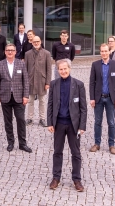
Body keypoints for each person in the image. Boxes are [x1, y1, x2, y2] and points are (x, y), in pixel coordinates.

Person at [47, 59, 87, 192]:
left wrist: (82, 126)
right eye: (60, 69)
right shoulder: (54, 84)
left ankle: (77, 179)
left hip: (73, 125)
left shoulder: (79, 84)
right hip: (58, 123)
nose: (63, 71)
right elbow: (50, 105)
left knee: (76, 153)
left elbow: (83, 108)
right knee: (57, 152)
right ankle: (56, 177)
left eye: (65, 69)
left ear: (69, 69)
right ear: (57, 70)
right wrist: (50, 123)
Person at [0, 43, 32, 153]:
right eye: (8, 50)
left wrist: (26, 95)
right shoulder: (0, 65)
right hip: (5, 97)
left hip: (19, 97)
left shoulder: (21, 64)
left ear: (15, 52)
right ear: (5, 52)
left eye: (12, 50)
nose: (10, 52)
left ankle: (22, 143)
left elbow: (26, 81)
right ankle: (10, 143)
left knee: (21, 120)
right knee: (8, 121)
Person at [89, 43, 115, 155]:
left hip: (110, 99)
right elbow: (91, 83)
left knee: (111, 122)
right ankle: (97, 143)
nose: (104, 53)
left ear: (109, 52)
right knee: (97, 122)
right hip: (98, 98)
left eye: (105, 51)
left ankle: (111, 145)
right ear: (100, 52)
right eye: (102, 51)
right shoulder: (95, 65)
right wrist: (92, 98)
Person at [25, 36, 52, 127]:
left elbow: (49, 69)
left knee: (42, 101)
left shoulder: (46, 53)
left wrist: (48, 82)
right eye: (34, 41)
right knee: (30, 101)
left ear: (40, 42)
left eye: (38, 41)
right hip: (30, 80)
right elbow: (25, 69)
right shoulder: (27, 54)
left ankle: (42, 118)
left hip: (42, 81)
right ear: (32, 42)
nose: (36, 43)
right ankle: (30, 118)